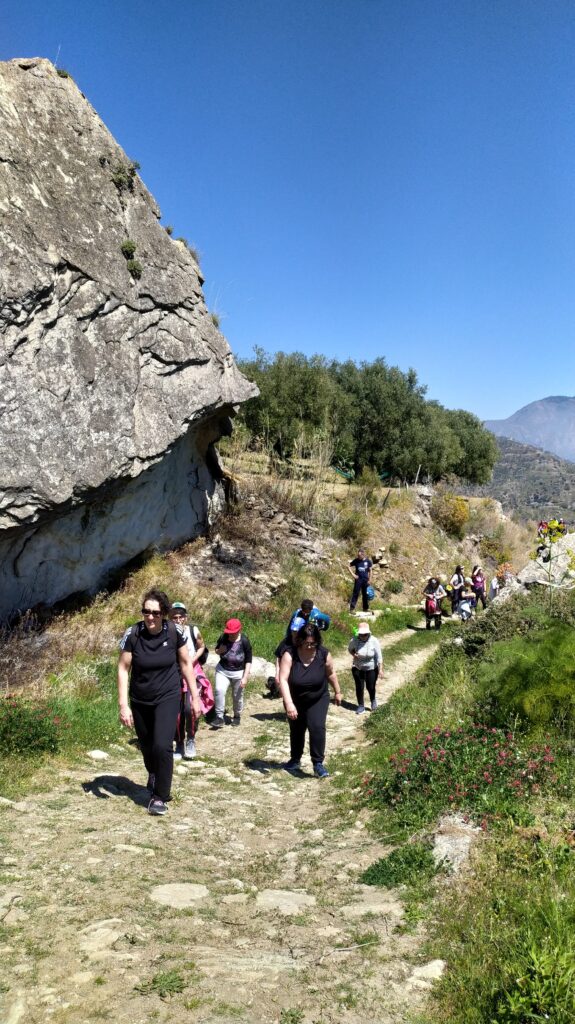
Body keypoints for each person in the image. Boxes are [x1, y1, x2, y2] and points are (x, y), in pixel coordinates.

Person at [118, 589, 201, 816]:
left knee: (162, 745)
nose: (150, 617)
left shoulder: (174, 632)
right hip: (140, 698)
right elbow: (124, 668)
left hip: (168, 695)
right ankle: (153, 772)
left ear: (163, 613)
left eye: (155, 613)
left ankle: (160, 796)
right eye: (146, 612)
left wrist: (195, 697)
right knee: (146, 746)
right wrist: (123, 705)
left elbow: (186, 664)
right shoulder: (133, 633)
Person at [278, 622, 341, 778]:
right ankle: (295, 759)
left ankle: (318, 763)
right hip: (295, 698)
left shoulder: (323, 654)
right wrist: (289, 703)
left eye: (313, 643)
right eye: (306, 643)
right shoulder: (289, 654)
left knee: (317, 727)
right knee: (297, 728)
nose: (309, 646)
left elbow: (331, 674)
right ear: (300, 640)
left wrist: (338, 691)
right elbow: (283, 679)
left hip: (318, 697)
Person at [170, 602, 207, 760]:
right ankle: (179, 743)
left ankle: (191, 739)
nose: (178, 620)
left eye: (181, 617)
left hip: (193, 672)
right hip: (175, 674)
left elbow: (201, 646)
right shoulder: (169, 632)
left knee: (189, 709)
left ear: (185, 617)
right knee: (176, 712)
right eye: (174, 617)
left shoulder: (193, 630)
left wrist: (193, 659)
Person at [212, 618, 252, 729]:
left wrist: (245, 677)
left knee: (237, 696)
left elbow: (248, 660)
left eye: (233, 633)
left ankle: (237, 716)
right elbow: (216, 650)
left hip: (239, 672)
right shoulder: (223, 637)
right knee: (219, 690)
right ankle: (219, 717)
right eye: (229, 633)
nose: (231, 635)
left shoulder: (244, 641)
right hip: (222, 670)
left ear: (239, 630)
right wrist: (221, 650)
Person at [348, 622, 383, 714]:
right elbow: (350, 649)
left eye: (365, 634)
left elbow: (379, 656)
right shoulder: (354, 640)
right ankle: (361, 705)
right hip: (357, 667)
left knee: (370, 687)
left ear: (369, 633)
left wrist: (381, 670)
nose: (363, 636)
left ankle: (373, 700)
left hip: (371, 668)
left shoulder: (374, 641)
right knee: (359, 687)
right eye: (361, 634)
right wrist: (353, 654)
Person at [348, 548, 373, 613]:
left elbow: (370, 570)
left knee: (365, 594)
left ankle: (365, 608)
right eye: (358, 555)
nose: (358, 557)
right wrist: (353, 574)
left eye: (359, 556)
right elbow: (348, 566)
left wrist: (370, 579)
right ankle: (352, 609)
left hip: (365, 580)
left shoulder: (368, 561)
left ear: (363, 555)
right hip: (358, 580)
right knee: (355, 593)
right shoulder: (356, 560)